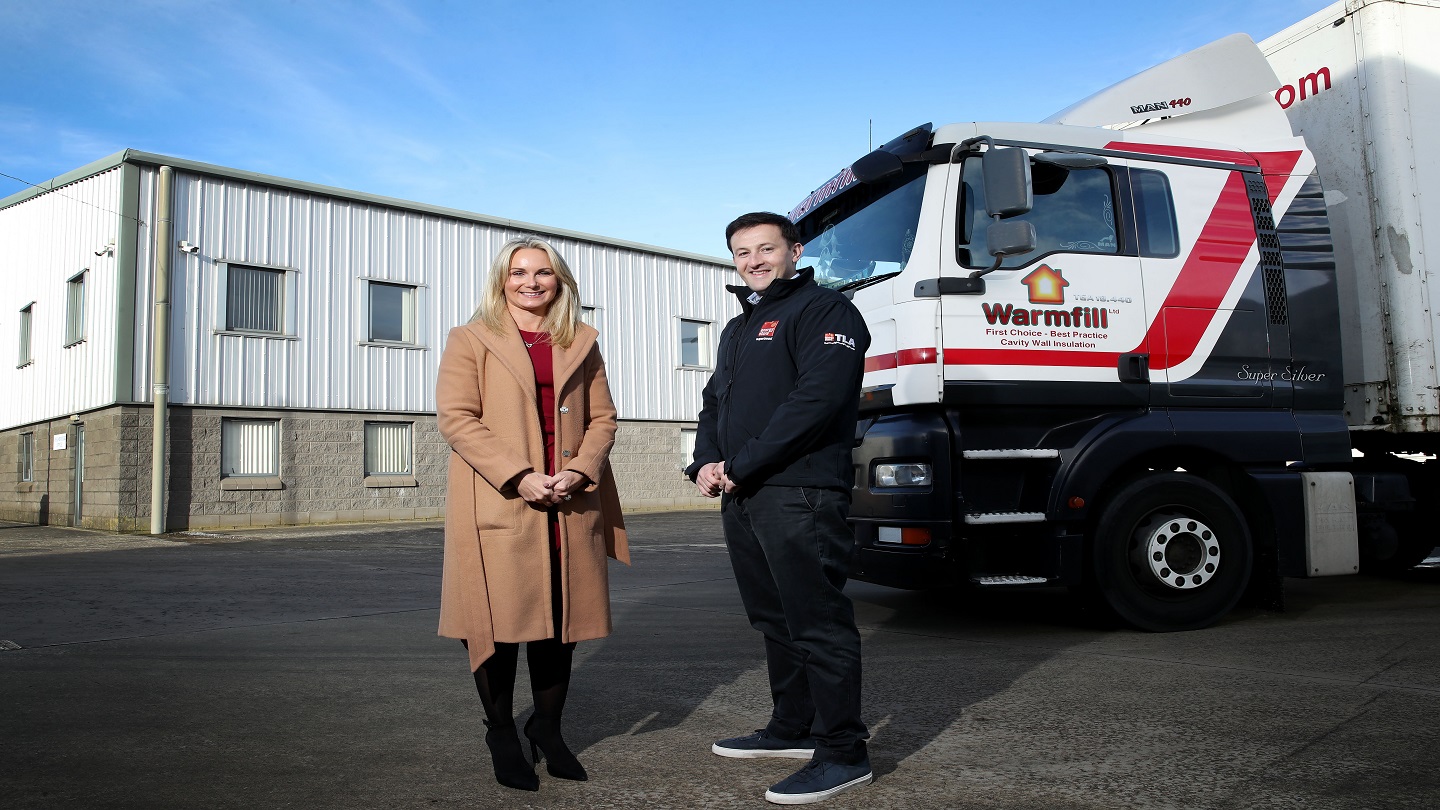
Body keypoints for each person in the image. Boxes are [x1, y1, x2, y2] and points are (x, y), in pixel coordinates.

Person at [687, 212, 873, 805]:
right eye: (742, 252)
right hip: (743, 492)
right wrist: (707, 462)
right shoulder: (740, 327)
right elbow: (715, 401)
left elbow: (816, 401)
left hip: (800, 491)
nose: (754, 260)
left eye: (766, 248)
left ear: (795, 249)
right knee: (773, 619)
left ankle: (843, 751)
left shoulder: (824, 310)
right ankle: (792, 727)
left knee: (818, 622)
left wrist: (743, 464)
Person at [436, 235, 628, 792]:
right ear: (502, 280)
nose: (530, 282)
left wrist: (581, 469)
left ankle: (547, 728)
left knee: (559, 623)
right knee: (496, 622)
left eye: (542, 272)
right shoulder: (470, 339)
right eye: (518, 272)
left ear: (559, 280)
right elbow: (456, 418)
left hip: (570, 499)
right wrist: (520, 475)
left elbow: (604, 419)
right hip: (500, 499)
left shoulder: (581, 340)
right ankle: (500, 731)